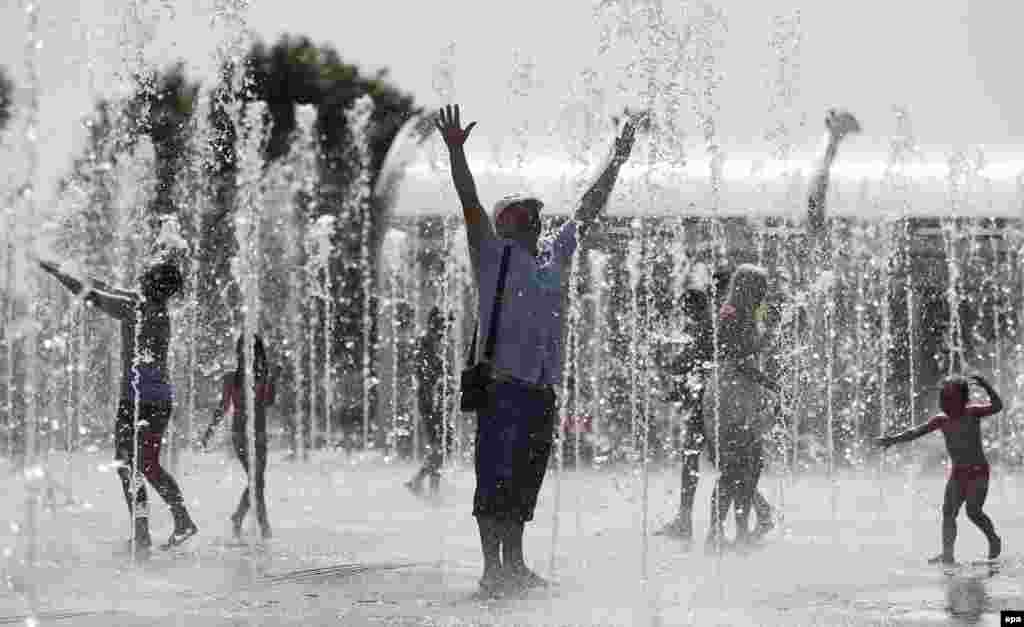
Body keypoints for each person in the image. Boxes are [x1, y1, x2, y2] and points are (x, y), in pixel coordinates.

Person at [435, 103, 645, 597]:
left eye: (533, 213)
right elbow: (468, 202)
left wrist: (617, 158)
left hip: (542, 391)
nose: (533, 218)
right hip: (502, 388)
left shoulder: (555, 253)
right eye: (524, 213)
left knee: (526, 478)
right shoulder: (491, 256)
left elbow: (590, 208)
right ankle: (493, 568)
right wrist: (456, 152)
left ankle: (516, 562)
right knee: (495, 476)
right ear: (509, 221)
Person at [36, 258, 197, 554]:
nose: (142, 276)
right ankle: (149, 530)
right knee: (130, 465)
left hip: (148, 402)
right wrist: (63, 266)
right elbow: (103, 287)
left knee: (141, 465)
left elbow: (93, 296)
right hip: (142, 400)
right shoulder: (141, 303)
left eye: (147, 275)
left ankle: (167, 525)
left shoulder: (142, 309)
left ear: (154, 283)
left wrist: (57, 273)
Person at [655, 267, 777, 545]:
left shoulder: (726, 317)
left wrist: (671, 368)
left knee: (729, 465)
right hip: (722, 398)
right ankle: (728, 525)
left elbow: (701, 357)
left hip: (721, 399)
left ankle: (716, 524)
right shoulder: (729, 315)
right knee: (731, 465)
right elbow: (719, 357)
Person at [876, 374, 1003, 565]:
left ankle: (993, 538)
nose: (945, 403)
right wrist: (893, 440)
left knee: (973, 511)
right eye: (943, 399)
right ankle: (948, 554)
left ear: (964, 400)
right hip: (958, 474)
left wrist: (986, 386)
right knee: (948, 512)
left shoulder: (973, 413)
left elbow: (997, 406)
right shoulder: (941, 420)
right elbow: (915, 432)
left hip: (978, 472)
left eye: (950, 399)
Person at [201, 334, 276, 540]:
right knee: (256, 480)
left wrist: (270, 380)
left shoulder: (266, 376)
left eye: (254, 349)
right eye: (246, 348)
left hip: (259, 434)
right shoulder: (231, 377)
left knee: (257, 481)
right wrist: (210, 429)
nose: (250, 353)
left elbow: (268, 402)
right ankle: (263, 525)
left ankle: (239, 517)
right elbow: (224, 406)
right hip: (240, 434)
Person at [405, 306, 446, 497]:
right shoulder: (428, 343)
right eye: (444, 324)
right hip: (431, 401)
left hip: (433, 400)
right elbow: (425, 374)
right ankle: (421, 483)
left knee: (440, 446)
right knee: (439, 447)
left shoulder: (431, 342)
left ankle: (431, 488)